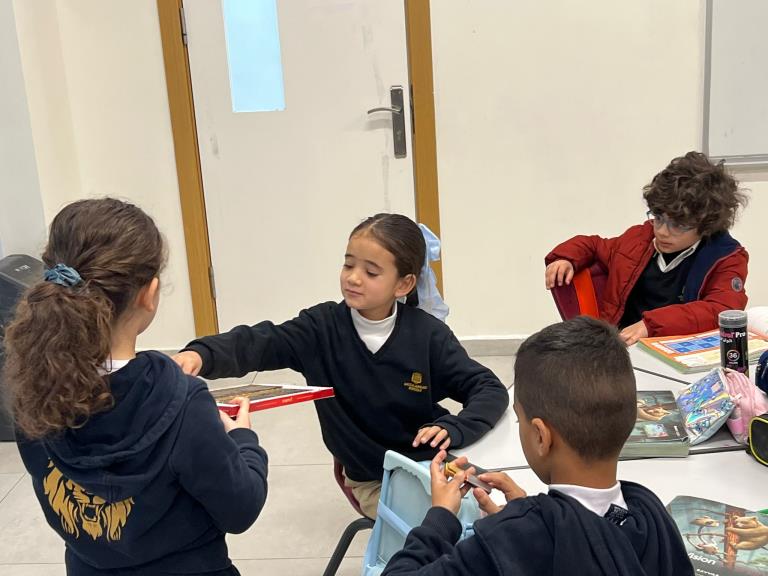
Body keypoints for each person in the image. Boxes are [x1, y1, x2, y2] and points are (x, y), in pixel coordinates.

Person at [173, 213, 508, 518]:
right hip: (375, 480)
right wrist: (201, 354)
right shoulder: (320, 328)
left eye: (371, 272)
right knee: (453, 524)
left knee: (502, 511)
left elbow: (488, 388)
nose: (354, 278)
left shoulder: (427, 334)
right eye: (349, 265)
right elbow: (257, 342)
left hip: (434, 466)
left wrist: (454, 427)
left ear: (404, 284)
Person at [3, 198, 267, 576]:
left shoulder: (31, 388)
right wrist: (243, 440)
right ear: (149, 293)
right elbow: (241, 509)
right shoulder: (184, 401)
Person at [381, 316, 693, 576]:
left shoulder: (510, 538)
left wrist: (441, 517)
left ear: (541, 437)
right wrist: (536, 513)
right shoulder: (651, 513)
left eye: (520, 420)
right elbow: (588, 540)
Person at [545, 151, 749, 345]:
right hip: (625, 346)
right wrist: (566, 258)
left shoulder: (726, 257)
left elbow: (722, 309)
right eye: (658, 218)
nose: (662, 231)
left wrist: (650, 325)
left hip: (680, 348)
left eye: (678, 225)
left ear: (706, 225)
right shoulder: (639, 238)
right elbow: (594, 245)